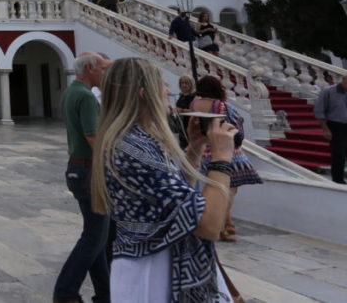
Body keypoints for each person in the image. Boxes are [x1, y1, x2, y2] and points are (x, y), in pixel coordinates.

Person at [91, 58, 238, 302]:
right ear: (143, 94)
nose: (168, 91)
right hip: (154, 274)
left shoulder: (137, 140)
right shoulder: (133, 149)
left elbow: (175, 199)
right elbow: (209, 225)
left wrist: (195, 149)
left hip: (155, 264)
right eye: (162, 85)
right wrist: (222, 156)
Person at [53, 52, 111, 303]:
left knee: (98, 235)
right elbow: (93, 138)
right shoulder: (86, 97)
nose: (104, 73)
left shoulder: (70, 92)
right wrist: (115, 164)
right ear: (89, 68)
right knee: (94, 236)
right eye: (102, 68)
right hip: (90, 171)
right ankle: (65, 292)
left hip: (77, 169)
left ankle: (105, 294)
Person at [191, 75, 262, 241]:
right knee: (229, 190)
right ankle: (221, 225)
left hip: (204, 149)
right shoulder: (221, 105)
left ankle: (228, 223)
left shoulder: (194, 104)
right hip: (223, 147)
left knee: (213, 187)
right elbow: (236, 125)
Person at [314, 73, 347, 184]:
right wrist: (325, 129)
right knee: (339, 154)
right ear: (344, 79)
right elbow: (319, 111)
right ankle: (338, 180)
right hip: (336, 125)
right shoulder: (328, 91)